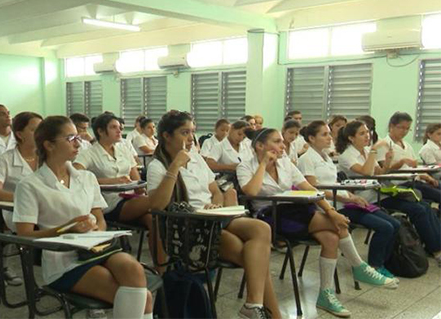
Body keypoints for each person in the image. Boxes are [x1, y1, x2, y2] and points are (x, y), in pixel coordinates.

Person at [238, 127, 397, 318]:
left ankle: (326, 295)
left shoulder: (285, 163)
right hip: (268, 218)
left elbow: (309, 188)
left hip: (294, 212)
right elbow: (251, 192)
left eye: (282, 141)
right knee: (337, 224)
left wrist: (330, 210)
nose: (283, 146)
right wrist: (263, 164)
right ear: (260, 146)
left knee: (331, 237)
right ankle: (358, 266)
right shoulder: (245, 166)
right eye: (277, 142)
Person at [13, 116, 154, 319]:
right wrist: (66, 229)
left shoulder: (86, 178)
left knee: (133, 268)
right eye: (71, 138)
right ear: (49, 145)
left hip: (95, 249)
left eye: (78, 137)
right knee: (144, 298)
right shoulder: (30, 185)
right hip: (63, 260)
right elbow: (24, 234)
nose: (79, 143)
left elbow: (100, 218)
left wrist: (97, 228)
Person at [147, 110, 281, 319]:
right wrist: (175, 166)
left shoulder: (198, 160)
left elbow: (216, 192)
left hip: (213, 218)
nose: (191, 138)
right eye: (184, 132)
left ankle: (253, 304)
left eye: (192, 132)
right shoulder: (158, 166)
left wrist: (216, 206)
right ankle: (266, 312)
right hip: (190, 227)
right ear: (166, 135)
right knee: (256, 261)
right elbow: (156, 205)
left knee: (261, 228)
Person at [298, 121, 400, 278]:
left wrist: (353, 196)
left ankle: (384, 263)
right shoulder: (306, 159)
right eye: (324, 134)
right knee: (384, 227)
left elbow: (336, 183)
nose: (329, 138)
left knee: (394, 224)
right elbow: (314, 189)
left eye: (329, 134)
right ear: (311, 138)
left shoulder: (326, 157)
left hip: (344, 201)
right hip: (331, 207)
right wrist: (346, 199)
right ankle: (374, 266)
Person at [337, 120, 441, 266]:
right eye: (362, 133)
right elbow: (367, 173)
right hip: (367, 198)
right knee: (417, 210)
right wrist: (374, 150)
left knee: (424, 206)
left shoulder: (366, 151)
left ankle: (436, 246)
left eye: (368, 132)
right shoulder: (346, 155)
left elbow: (379, 173)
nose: (367, 136)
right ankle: (436, 250)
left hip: (382, 192)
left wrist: (386, 162)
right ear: (351, 138)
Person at [73, 113, 166, 269]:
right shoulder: (89, 152)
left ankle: (162, 267)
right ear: (101, 131)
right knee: (158, 201)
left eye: (120, 128)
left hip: (131, 198)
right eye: (114, 127)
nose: (119, 131)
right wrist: (109, 181)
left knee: (154, 220)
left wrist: (142, 191)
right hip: (109, 202)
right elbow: (76, 176)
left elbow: (136, 178)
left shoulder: (122, 149)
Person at [0, 112, 43, 286]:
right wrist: (25, 199)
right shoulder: (6, 159)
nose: (41, 134)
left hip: (49, 209)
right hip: (19, 213)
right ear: (20, 134)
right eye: (35, 130)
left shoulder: (48, 157)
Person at [376, 112, 440, 203]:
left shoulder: (407, 146)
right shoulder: (383, 145)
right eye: (401, 128)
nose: (404, 131)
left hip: (415, 180)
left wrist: (426, 176)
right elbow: (384, 170)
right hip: (400, 183)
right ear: (391, 126)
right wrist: (401, 162)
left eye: (407, 129)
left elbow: (414, 167)